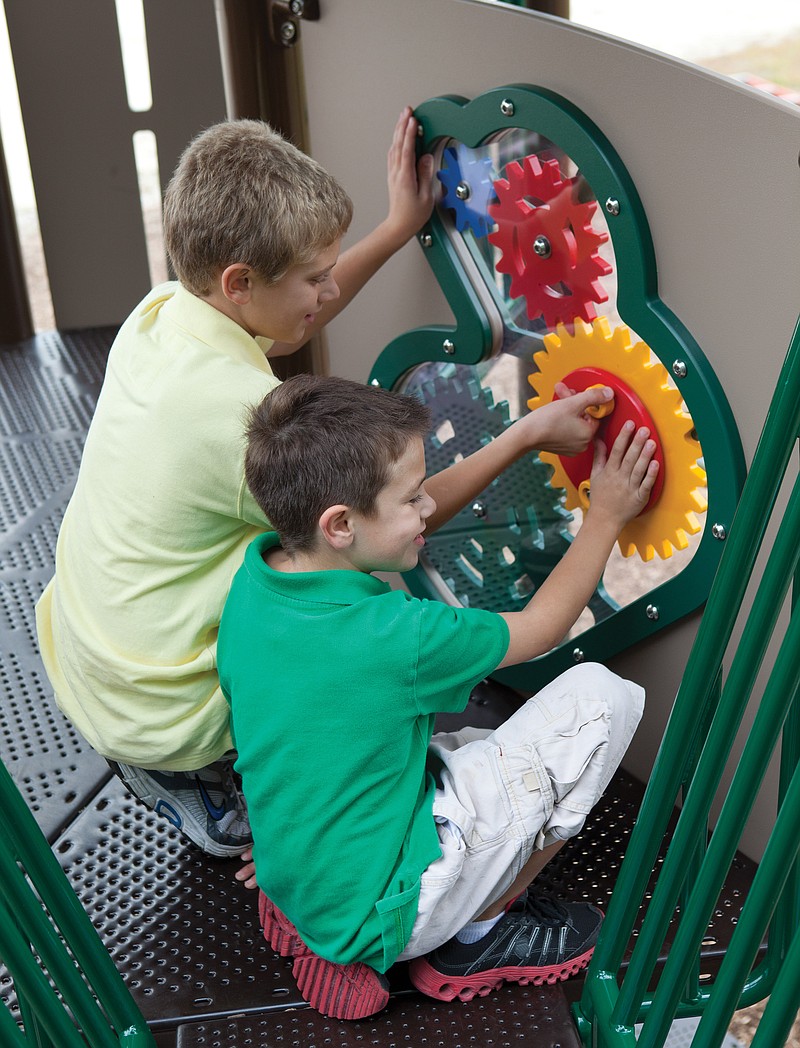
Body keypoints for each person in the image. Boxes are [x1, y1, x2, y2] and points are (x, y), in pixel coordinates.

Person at [34, 109, 436, 860]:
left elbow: (284, 320)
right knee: (356, 590)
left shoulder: (161, 313)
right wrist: (525, 437)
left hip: (96, 650)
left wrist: (396, 226)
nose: (325, 291)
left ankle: (165, 752)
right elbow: (385, 520)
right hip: (163, 709)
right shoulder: (235, 420)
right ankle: (207, 776)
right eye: (315, 277)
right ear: (240, 282)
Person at [217, 373, 658, 1020]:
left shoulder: (258, 586)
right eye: (413, 497)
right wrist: (608, 516)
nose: (427, 509)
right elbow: (540, 629)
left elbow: (391, 529)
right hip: (394, 901)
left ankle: (317, 923)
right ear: (340, 523)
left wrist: (526, 435)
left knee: (453, 747)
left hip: (303, 863)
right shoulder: (392, 638)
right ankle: (479, 932)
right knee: (602, 699)